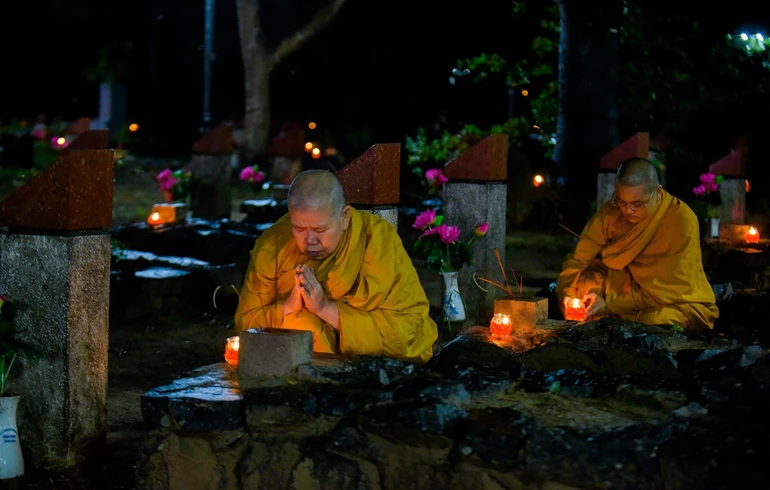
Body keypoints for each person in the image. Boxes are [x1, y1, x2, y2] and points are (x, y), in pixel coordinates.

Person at [235, 169, 438, 363]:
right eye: (298, 228)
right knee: (299, 324)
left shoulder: (377, 240)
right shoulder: (273, 246)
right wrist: (287, 308)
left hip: (371, 356)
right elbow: (245, 322)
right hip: (307, 350)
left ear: (344, 217)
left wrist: (326, 309)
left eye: (320, 229)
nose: (309, 241)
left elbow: (407, 328)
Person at [557, 157, 718, 330]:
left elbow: (665, 290)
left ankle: (610, 316)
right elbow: (578, 260)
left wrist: (609, 306)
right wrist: (567, 293)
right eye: (621, 202)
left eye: (637, 204)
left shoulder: (680, 220)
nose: (627, 211)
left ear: (657, 191)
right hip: (619, 286)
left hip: (665, 298)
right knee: (583, 290)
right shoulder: (611, 212)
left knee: (657, 321)